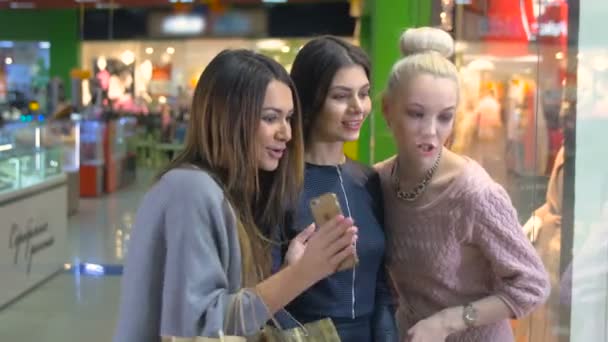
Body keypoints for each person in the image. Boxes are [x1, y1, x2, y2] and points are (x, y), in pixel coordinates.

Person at [113, 49, 358, 342]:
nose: (286, 133)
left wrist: (290, 269)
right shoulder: (190, 190)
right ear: (228, 118)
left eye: (289, 118)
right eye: (270, 118)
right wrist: (302, 273)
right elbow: (199, 328)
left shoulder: (225, 192)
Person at [374, 27, 550, 342]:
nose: (430, 131)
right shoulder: (379, 182)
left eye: (445, 117)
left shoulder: (474, 194)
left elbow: (533, 284)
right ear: (388, 110)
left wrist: (447, 321)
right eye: (416, 114)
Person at [276, 36, 398, 341]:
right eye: (341, 96)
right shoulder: (278, 184)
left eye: (364, 94)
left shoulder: (369, 181)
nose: (358, 107)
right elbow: (258, 294)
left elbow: (381, 285)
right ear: (311, 99)